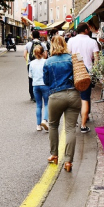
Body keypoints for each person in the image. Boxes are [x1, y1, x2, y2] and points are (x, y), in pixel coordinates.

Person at [43, 35, 80, 172]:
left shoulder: (48, 62)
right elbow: (84, 73)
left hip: (56, 96)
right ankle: (68, 162)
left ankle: (54, 155)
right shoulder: (72, 59)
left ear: (52, 46)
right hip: (74, 95)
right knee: (70, 129)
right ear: (65, 45)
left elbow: (46, 82)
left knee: (53, 125)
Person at [66, 22, 100, 133]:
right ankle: (84, 120)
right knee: (85, 97)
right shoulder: (92, 41)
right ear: (85, 30)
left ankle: (75, 119)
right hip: (88, 72)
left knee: (75, 97)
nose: (89, 30)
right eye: (88, 29)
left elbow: (68, 56)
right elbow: (96, 58)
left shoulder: (71, 41)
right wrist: (95, 72)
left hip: (75, 72)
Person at [29, 44, 49, 131]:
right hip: (45, 85)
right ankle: (45, 120)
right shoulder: (46, 62)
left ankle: (38, 125)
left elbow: (30, 75)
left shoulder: (31, 63)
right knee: (47, 104)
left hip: (35, 85)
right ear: (43, 53)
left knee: (38, 105)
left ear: (34, 53)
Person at [24, 30, 48, 101]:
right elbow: (46, 55)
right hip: (42, 63)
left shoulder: (28, 44)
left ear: (32, 36)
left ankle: (32, 95)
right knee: (42, 76)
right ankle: (42, 93)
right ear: (39, 36)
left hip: (31, 63)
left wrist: (28, 62)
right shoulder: (43, 44)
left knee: (31, 79)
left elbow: (24, 55)